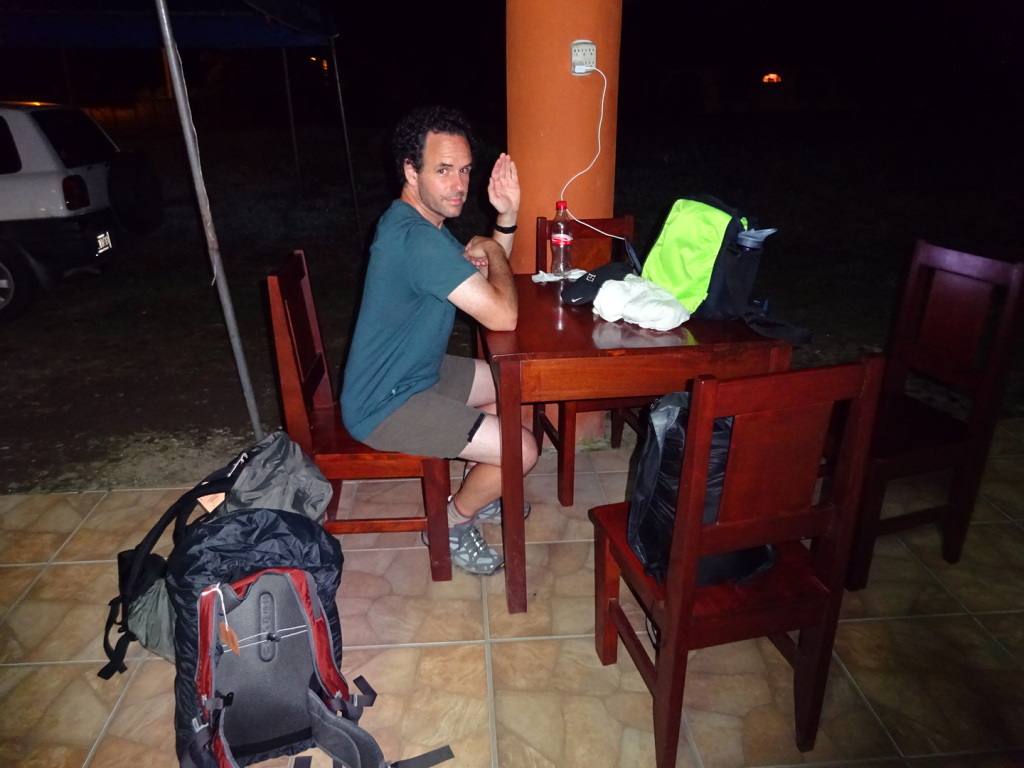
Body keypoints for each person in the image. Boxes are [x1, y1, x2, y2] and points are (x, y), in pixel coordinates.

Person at [341, 105, 538, 575]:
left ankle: (479, 488)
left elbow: (488, 283)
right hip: (384, 403)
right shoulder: (418, 241)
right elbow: (504, 315)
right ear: (411, 170)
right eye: (443, 170)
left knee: (513, 386)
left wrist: (505, 219)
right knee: (523, 450)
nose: (459, 184)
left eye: (465, 170)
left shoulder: (416, 223)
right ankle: (448, 523)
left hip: (417, 373)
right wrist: (490, 243)